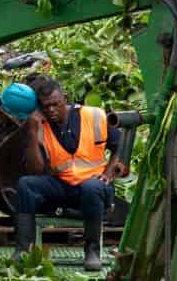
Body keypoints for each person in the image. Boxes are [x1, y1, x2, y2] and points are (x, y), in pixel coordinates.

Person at [13, 75, 126, 270]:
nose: (51, 110)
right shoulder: (40, 126)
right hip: (62, 188)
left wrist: (108, 174)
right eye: (46, 107)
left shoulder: (94, 116)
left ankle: (92, 250)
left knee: (91, 187)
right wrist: (32, 133)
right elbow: (35, 170)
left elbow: (121, 147)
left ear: (64, 99)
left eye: (55, 104)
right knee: (26, 184)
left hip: (95, 188)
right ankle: (24, 249)